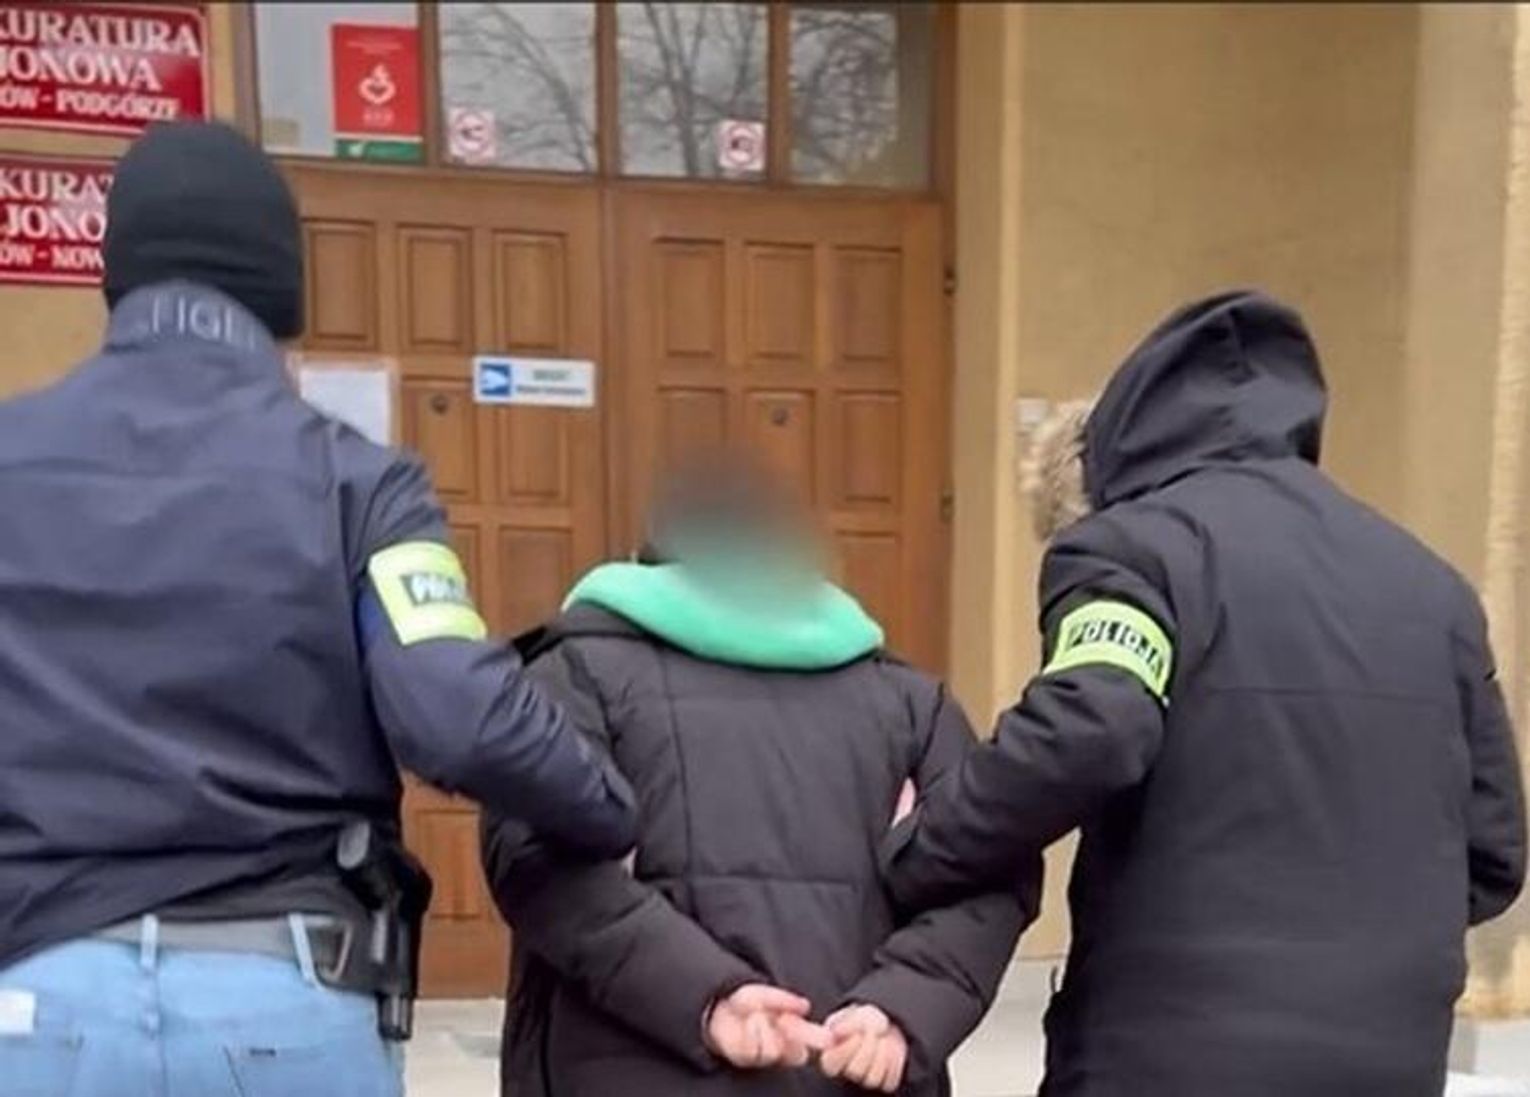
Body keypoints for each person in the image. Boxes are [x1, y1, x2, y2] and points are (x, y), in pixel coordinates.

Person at [0, 122, 635, 1096]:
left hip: (36, 1005)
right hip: (285, 1004)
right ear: (281, 289)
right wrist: (607, 807)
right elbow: (457, 712)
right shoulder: (357, 481)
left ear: (115, 277)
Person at [883, 290, 1528, 1097]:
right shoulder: (1434, 587)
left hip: (1168, 1050)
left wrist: (918, 847)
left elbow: (1090, 727)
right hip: (1389, 1054)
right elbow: (1495, 851)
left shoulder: (1130, 550)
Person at [481, 457, 1035, 1097]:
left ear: (648, 560)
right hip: (850, 1073)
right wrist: (900, 1009)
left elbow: (540, 865)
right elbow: (988, 870)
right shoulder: (912, 703)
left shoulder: (573, 676)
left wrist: (709, 997)